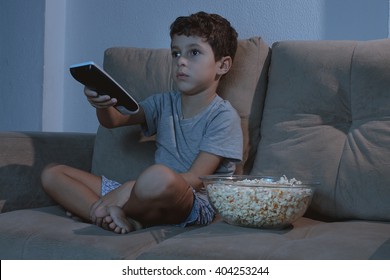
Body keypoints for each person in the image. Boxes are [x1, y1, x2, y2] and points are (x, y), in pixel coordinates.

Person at [41, 11, 243, 234]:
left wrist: (130, 187)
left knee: (159, 175)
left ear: (222, 65)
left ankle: (113, 211)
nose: (181, 61)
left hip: (193, 202)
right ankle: (107, 215)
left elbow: (196, 179)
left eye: (194, 52)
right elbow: (115, 121)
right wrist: (103, 104)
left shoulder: (223, 116)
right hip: (144, 191)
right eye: (176, 53)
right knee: (52, 173)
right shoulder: (163, 102)